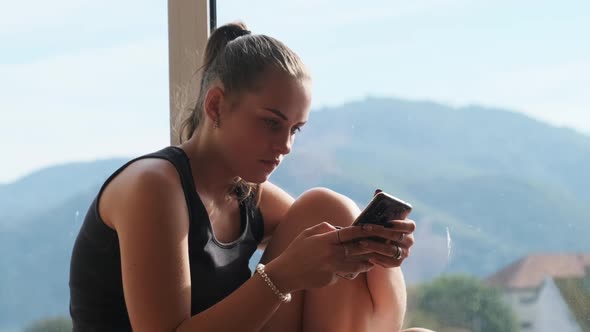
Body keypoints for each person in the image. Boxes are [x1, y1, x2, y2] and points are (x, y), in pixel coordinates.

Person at [69, 21, 428, 332]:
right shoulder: (154, 186)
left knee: (328, 212)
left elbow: (381, 318)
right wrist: (283, 275)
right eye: (271, 123)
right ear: (215, 106)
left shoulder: (248, 195)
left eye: (295, 130)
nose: (285, 145)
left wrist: (377, 253)